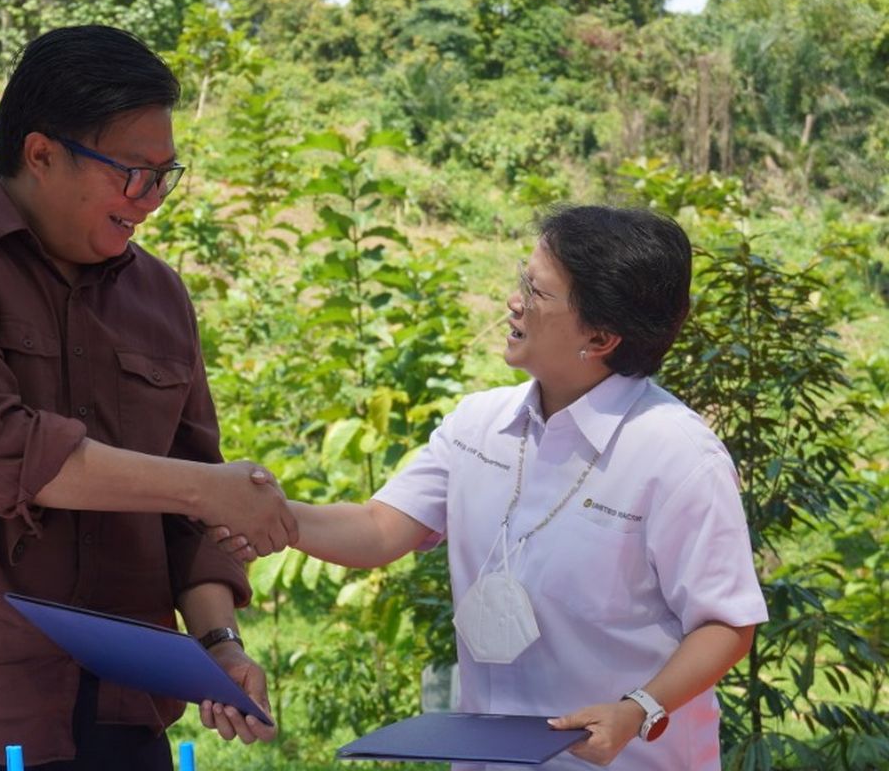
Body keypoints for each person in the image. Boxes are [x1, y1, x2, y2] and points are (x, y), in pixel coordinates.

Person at [0, 25, 295, 771]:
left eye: (165, 174)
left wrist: (220, 645)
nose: (149, 201)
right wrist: (209, 488)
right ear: (41, 153)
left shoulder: (160, 296)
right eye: (131, 173)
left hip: (119, 712)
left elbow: (191, 518)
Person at [213, 205, 768, 769]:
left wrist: (638, 708)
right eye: (521, 279)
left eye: (537, 290)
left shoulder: (677, 455)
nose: (514, 300)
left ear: (600, 336)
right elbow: (380, 528)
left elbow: (725, 622)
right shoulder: (479, 424)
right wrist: (274, 515)